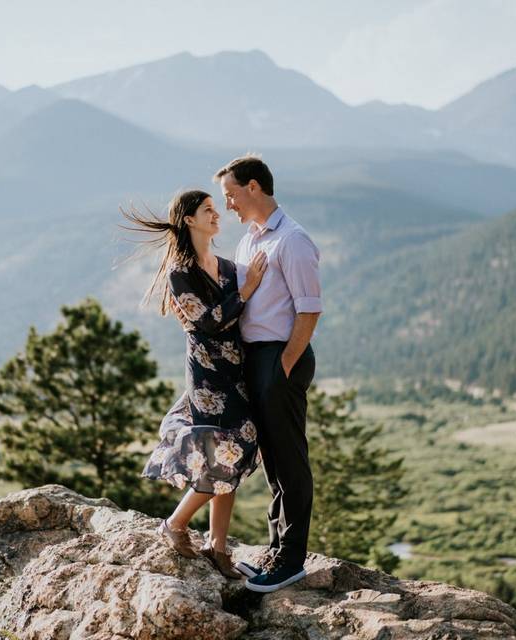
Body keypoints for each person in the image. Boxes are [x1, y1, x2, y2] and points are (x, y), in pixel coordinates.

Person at [124, 189, 268, 579]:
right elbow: (207, 322)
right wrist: (245, 291)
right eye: (208, 209)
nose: (216, 214)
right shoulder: (180, 272)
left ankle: (218, 547)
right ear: (188, 219)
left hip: (236, 369)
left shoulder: (226, 265)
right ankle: (174, 523)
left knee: (234, 454)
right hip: (207, 375)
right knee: (222, 453)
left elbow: (240, 315)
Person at [214, 154, 322, 593]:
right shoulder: (248, 242)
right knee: (273, 461)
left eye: (231, 195)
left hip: (281, 357)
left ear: (254, 187)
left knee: (290, 457)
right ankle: (277, 548)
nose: (229, 206)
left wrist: (283, 366)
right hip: (256, 358)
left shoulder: (292, 240)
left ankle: (292, 559)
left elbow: (309, 310)